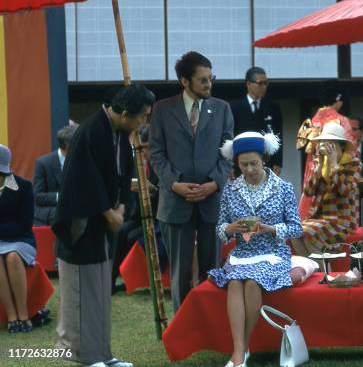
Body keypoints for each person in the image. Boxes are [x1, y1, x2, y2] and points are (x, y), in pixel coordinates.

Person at [52, 84, 155, 367]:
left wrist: (122, 205)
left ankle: (102, 354)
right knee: (82, 294)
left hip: (103, 225)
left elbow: (122, 174)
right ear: (123, 113)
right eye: (142, 116)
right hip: (81, 225)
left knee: (100, 291)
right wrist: (108, 212)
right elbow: (83, 180)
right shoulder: (89, 131)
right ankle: (84, 355)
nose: (143, 122)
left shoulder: (120, 132)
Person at [149, 51, 233, 312]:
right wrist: (174, 184)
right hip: (175, 201)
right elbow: (156, 154)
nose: (209, 85)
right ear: (185, 81)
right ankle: (182, 326)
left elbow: (229, 152)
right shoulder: (162, 109)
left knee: (214, 270)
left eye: (211, 78)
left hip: (212, 200)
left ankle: (212, 323)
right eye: (203, 80)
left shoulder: (222, 108)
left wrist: (215, 183)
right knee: (179, 272)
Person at [209, 132, 302, 367]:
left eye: (254, 163)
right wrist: (230, 228)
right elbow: (220, 230)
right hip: (242, 254)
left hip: (273, 253)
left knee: (251, 282)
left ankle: (240, 352)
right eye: (243, 165)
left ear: (264, 160)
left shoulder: (283, 188)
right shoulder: (230, 190)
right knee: (234, 282)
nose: (249, 169)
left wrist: (271, 229)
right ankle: (241, 351)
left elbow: (296, 229)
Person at [110, 124, 167, 295]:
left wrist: (152, 190)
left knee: (131, 237)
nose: (144, 152)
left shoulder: (164, 163)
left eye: (148, 148)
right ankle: (111, 281)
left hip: (159, 218)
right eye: (142, 148)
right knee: (120, 232)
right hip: (139, 214)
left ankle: (129, 276)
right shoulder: (137, 163)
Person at [293, 122, 360, 255]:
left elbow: (345, 191)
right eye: (324, 143)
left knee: (308, 233)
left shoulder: (353, 164)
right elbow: (308, 192)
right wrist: (317, 171)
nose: (327, 148)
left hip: (342, 219)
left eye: (331, 144)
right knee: (293, 231)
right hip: (319, 217)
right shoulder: (321, 163)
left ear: (341, 146)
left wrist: (334, 165)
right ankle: (314, 269)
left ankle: (323, 272)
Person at [297, 81, 356, 220]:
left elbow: (302, 145)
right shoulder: (342, 121)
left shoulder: (311, 121)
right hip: (335, 168)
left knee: (311, 199)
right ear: (338, 98)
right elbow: (350, 152)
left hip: (315, 167)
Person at [0, 144, 36, 333]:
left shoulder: (23, 186)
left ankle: (24, 315)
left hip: (21, 238)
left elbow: (25, 223)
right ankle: (12, 316)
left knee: (13, 256)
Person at [230, 66, 283, 175]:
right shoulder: (234, 108)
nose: (263, 87)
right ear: (248, 84)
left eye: (266, 83)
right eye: (260, 83)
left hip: (267, 162)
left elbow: (278, 135)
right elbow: (229, 136)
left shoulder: (273, 107)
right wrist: (229, 164)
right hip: (241, 163)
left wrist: (278, 161)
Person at [33, 124, 77, 226]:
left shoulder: (83, 161)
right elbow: (38, 196)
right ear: (67, 145)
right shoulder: (43, 163)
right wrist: (62, 197)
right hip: (53, 212)